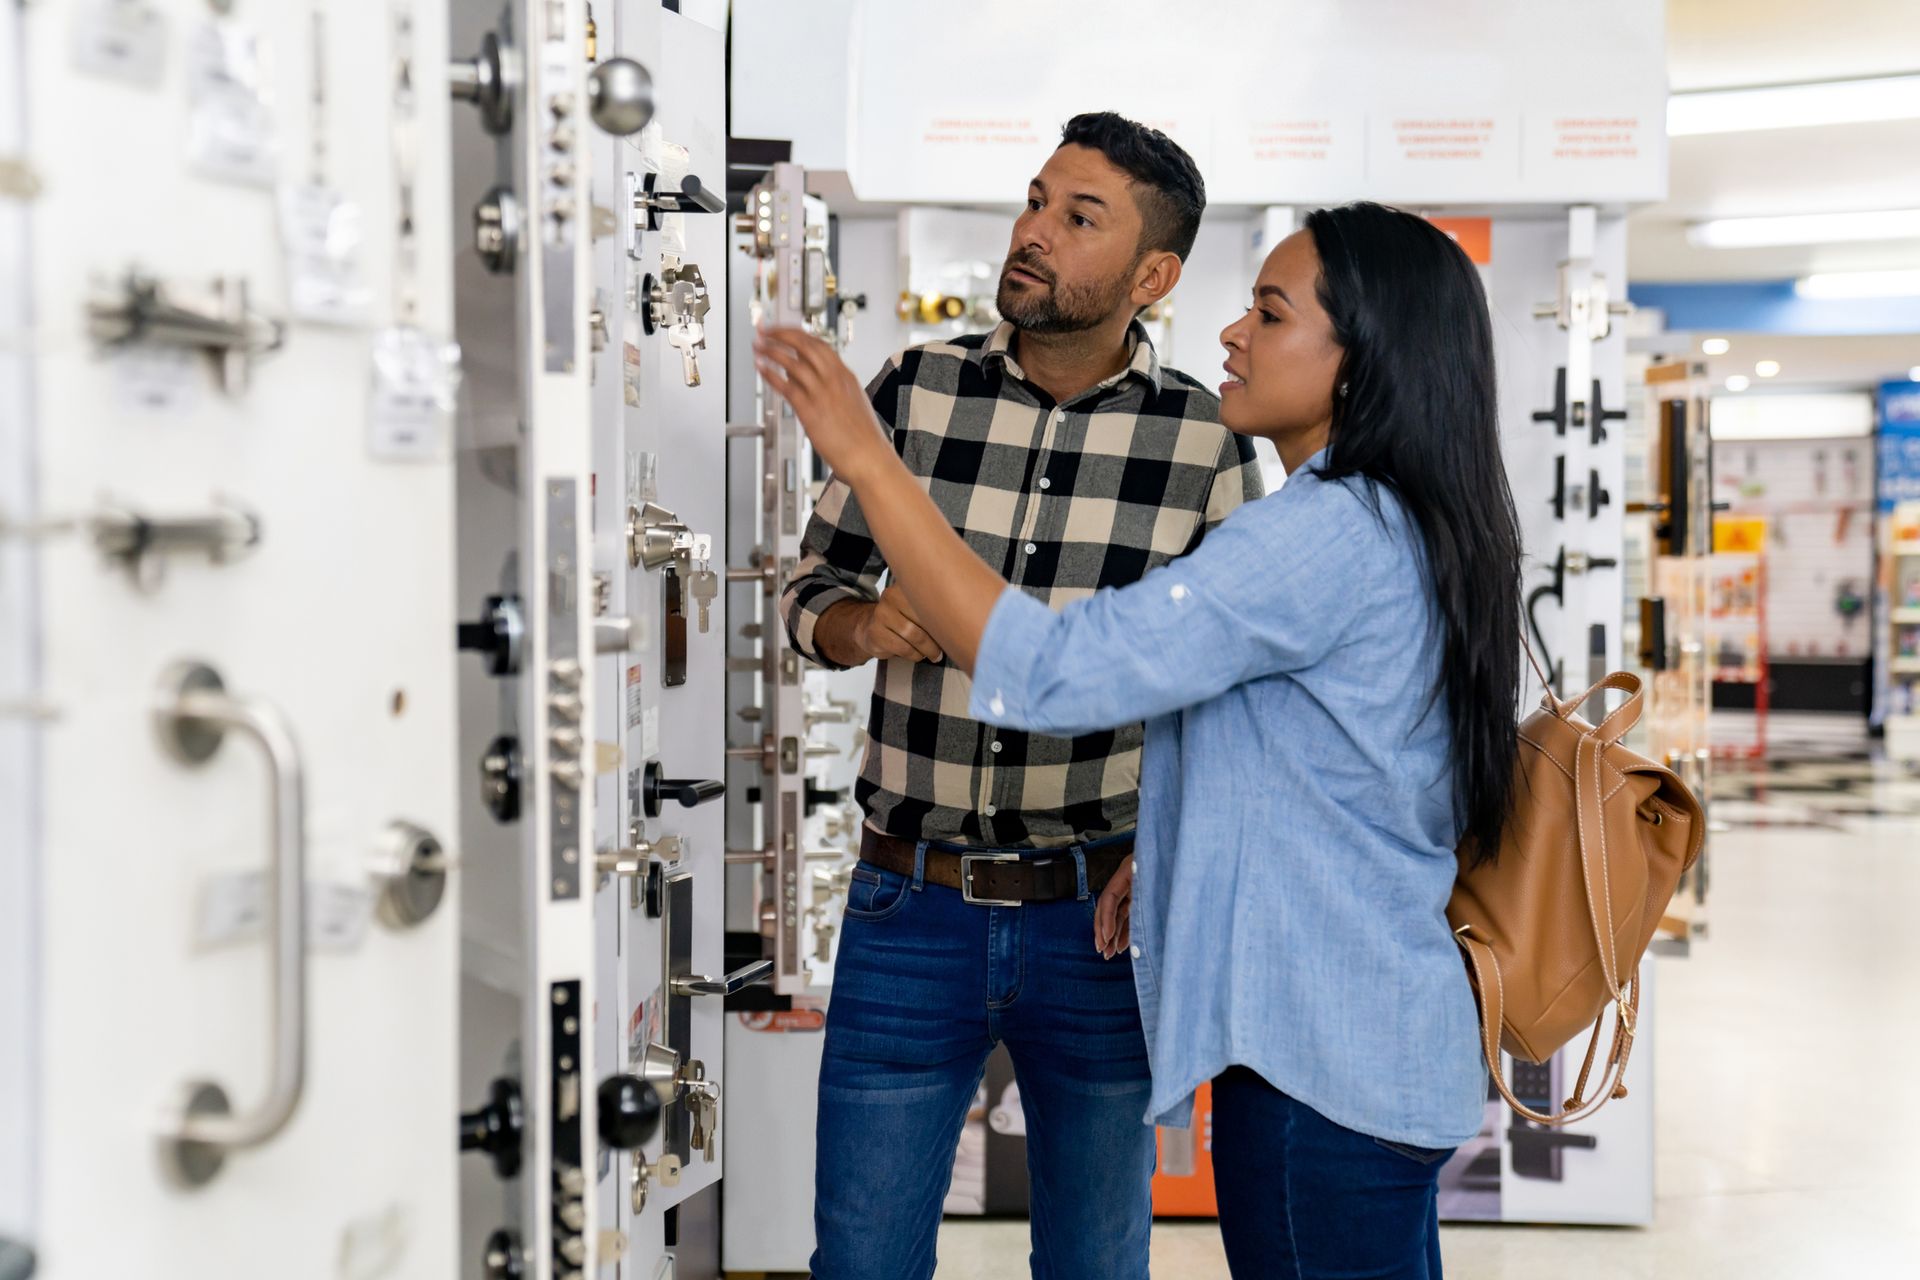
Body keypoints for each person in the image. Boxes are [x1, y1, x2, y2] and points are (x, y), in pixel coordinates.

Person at [757, 201, 1524, 1280]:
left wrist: (868, 462)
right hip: (1354, 1048)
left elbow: (1058, 669)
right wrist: (1165, 846)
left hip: (1323, 1067)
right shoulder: (1404, 518)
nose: (1233, 335)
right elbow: (1317, 763)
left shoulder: (1321, 532)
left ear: (1364, 359)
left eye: (1270, 311)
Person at [779, 113, 1262, 1280]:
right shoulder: (913, 389)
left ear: (1153, 276)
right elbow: (812, 585)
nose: (1033, 231)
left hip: (1099, 921)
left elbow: (1238, 691)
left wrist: (1179, 835)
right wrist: (860, 622)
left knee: (1096, 1260)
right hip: (910, 903)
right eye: (1036, 199)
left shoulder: (1205, 439)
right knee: (861, 1258)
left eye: (1078, 216)